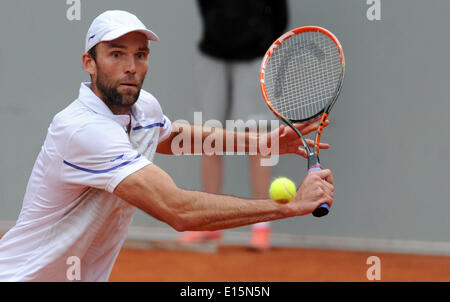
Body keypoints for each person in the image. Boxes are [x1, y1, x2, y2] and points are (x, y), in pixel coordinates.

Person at [0, 10, 334, 281]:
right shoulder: (82, 131)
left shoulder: (143, 106)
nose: (131, 67)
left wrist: (260, 142)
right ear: (89, 63)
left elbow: (170, 137)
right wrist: (287, 207)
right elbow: (179, 210)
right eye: (116, 54)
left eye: (140, 55)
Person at [178, 0, 289, 251]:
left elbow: (280, 14)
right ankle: (210, 224)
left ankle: (261, 226)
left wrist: (261, 40)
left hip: (255, 56)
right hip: (212, 54)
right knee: (208, 138)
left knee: (260, 140)